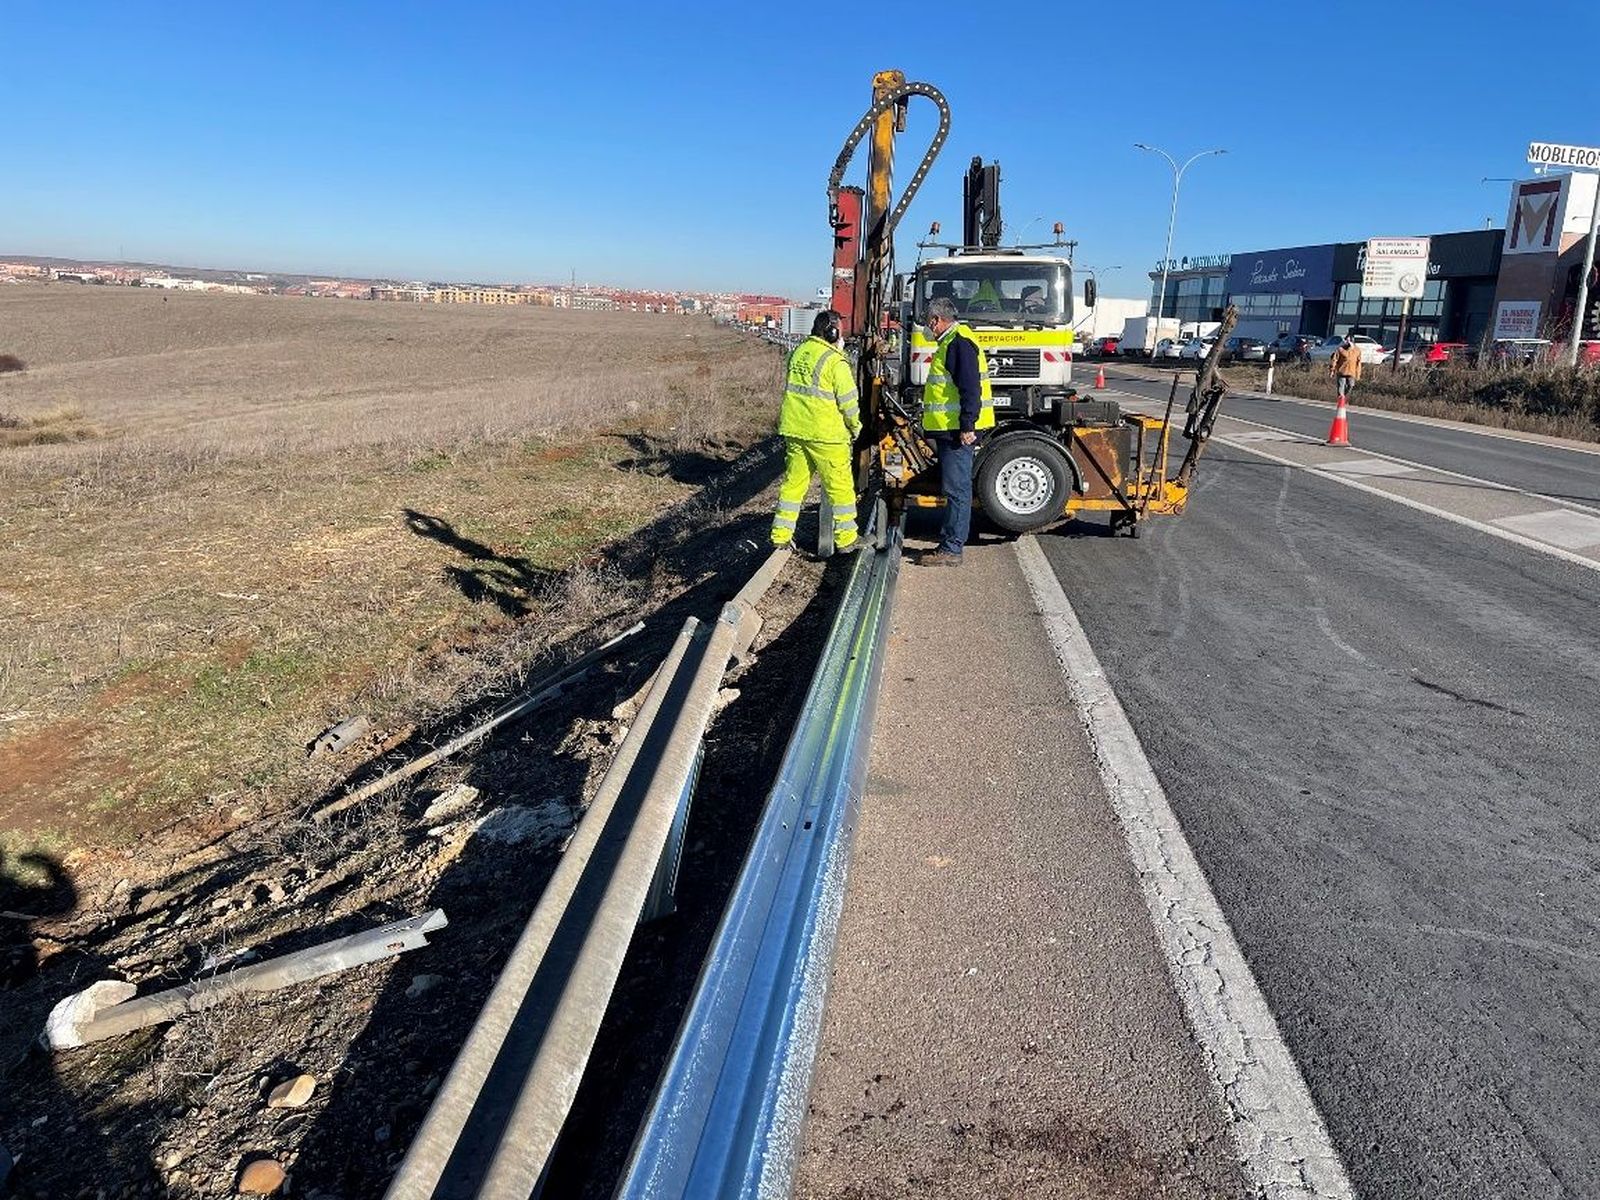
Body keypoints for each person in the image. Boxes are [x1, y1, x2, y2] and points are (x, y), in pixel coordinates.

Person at [770, 309, 862, 554]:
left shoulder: (798, 352)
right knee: (840, 488)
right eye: (840, 331)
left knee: (793, 485)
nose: (842, 335)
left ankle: (780, 536)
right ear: (831, 332)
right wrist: (856, 427)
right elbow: (849, 402)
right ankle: (846, 539)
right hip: (826, 435)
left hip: (795, 430)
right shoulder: (835, 361)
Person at [919, 296, 994, 566]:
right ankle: (953, 541)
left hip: (956, 431)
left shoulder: (958, 343)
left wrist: (967, 425)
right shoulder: (952, 341)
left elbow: (970, 388)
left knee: (957, 489)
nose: (926, 327)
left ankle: (951, 549)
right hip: (949, 429)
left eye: (927, 321)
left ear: (936, 320)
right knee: (955, 488)